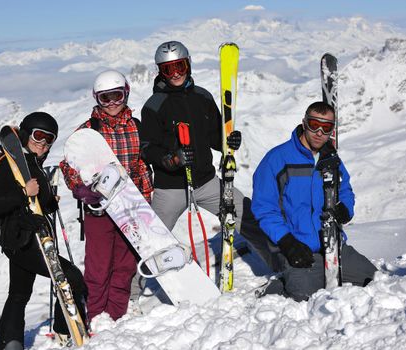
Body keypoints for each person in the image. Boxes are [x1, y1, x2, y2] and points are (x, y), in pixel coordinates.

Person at [140, 41, 262, 265]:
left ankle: (281, 264)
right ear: (160, 71)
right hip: (170, 189)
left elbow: (216, 136)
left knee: (250, 216)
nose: (175, 73)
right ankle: (132, 294)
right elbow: (147, 148)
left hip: (207, 182)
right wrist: (171, 159)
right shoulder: (153, 106)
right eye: (168, 69)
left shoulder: (202, 97)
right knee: (150, 240)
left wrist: (228, 141)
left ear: (188, 65)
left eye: (180, 66)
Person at [251, 101, 377, 302]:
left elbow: (345, 189)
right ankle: (278, 287)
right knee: (305, 299)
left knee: (377, 282)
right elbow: (264, 208)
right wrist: (287, 241)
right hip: (295, 248)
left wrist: (345, 208)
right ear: (304, 123)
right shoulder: (277, 159)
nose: (319, 132)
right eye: (314, 124)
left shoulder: (331, 159)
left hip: (333, 245)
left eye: (326, 127)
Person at [59, 70, 152, 322]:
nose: (112, 103)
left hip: (130, 206)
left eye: (117, 95)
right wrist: (79, 187)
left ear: (126, 93)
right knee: (99, 268)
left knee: (124, 266)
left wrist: (145, 199)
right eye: (105, 98)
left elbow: (141, 165)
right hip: (99, 210)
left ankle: (116, 315)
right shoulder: (88, 131)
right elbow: (68, 165)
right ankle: (96, 316)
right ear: (96, 99)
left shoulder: (136, 127)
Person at [0, 112, 87, 350]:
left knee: (19, 295)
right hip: (24, 241)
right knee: (72, 278)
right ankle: (67, 332)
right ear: (25, 134)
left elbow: (36, 201)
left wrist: (49, 200)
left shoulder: (32, 163)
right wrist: (24, 192)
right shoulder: (8, 165)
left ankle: (8, 343)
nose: (43, 143)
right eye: (38, 136)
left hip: (23, 241)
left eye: (49, 139)